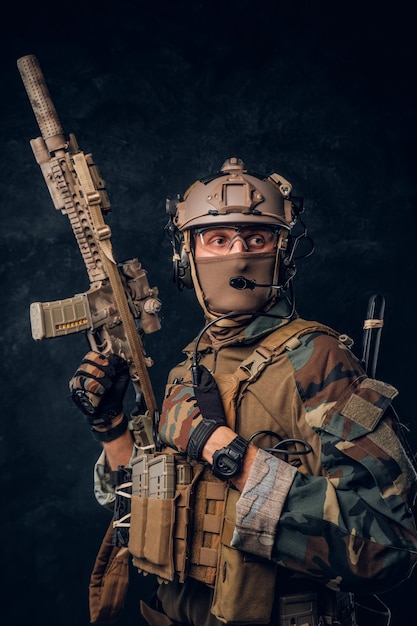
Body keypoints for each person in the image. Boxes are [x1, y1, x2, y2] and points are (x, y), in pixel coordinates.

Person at [69, 157, 417, 626]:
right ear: (186, 254)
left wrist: (226, 453)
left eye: (257, 238)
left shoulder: (318, 360)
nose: (238, 253)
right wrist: (111, 430)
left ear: (282, 251)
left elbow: (388, 548)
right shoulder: (185, 369)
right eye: (218, 238)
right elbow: (138, 510)